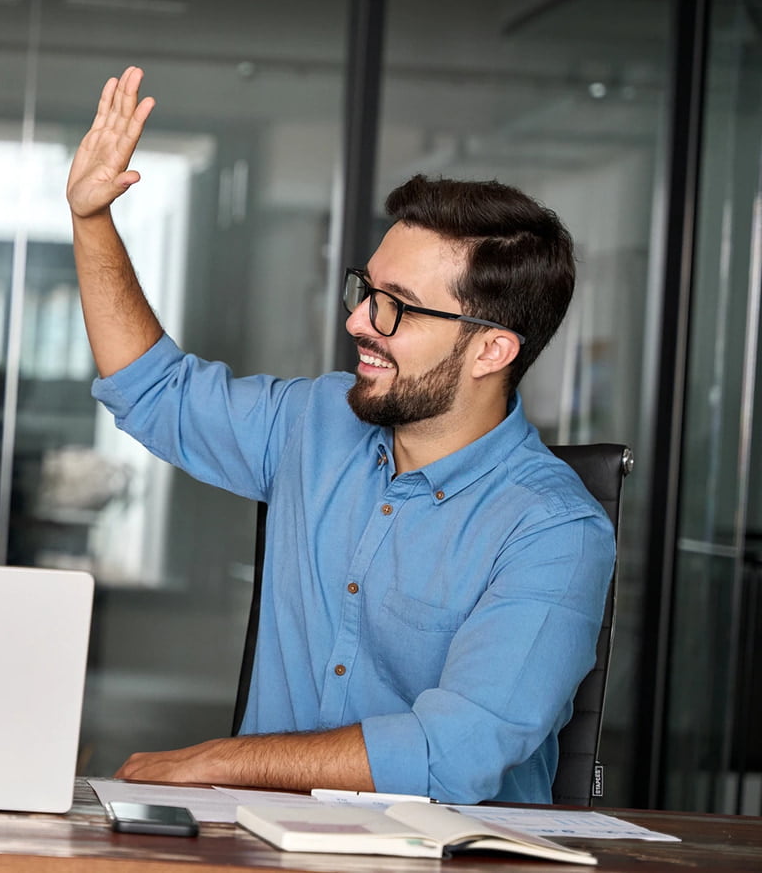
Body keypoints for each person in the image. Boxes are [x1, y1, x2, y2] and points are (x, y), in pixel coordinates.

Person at [66, 67, 614, 804]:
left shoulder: (553, 530)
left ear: (493, 350)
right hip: (261, 846)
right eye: (368, 290)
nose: (359, 321)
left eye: (400, 308)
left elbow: (458, 752)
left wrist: (220, 762)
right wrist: (92, 219)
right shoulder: (316, 423)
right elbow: (154, 390)